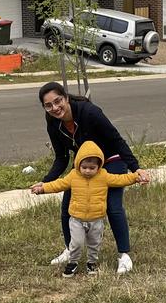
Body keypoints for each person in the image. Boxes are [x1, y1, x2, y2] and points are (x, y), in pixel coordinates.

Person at [30, 81, 150, 274]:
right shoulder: (53, 121)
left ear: (66, 98)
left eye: (58, 101)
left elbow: (117, 140)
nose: (55, 108)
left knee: (112, 205)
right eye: (48, 105)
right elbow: (61, 158)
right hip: (85, 164)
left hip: (112, 158)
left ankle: (124, 255)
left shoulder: (89, 112)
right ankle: (71, 249)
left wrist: (137, 169)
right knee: (68, 205)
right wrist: (47, 181)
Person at [31, 141, 144, 276]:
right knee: (76, 242)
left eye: (92, 168)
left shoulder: (104, 176)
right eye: (84, 167)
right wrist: (43, 189)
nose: (87, 171)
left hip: (96, 220)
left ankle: (92, 263)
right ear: (78, 164)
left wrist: (136, 177)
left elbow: (120, 179)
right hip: (77, 219)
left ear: (99, 166)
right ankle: (72, 262)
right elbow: (58, 184)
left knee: (94, 244)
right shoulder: (73, 176)